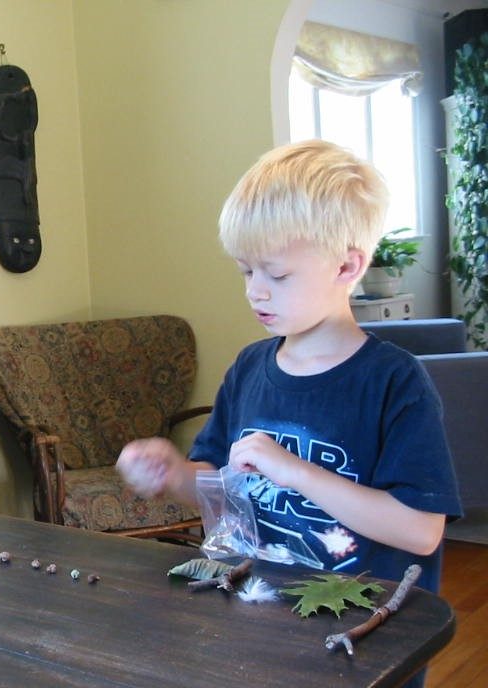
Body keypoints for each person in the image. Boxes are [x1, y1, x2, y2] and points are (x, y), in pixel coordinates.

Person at [117, 140, 461, 594]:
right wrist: (173, 474)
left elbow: (420, 531)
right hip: (261, 623)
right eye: (246, 271)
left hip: (365, 632)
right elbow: (223, 485)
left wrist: (293, 470)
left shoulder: (394, 382)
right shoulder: (249, 369)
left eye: (276, 275)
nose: (255, 292)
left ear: (346, 264)